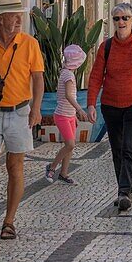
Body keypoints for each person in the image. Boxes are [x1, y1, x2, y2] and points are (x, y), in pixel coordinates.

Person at [0, 0, 45, 241]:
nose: (18, 20)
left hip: (19, 112)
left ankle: (9, 220)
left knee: (15, 167)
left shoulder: (30, 44)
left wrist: (36, 109)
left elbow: (38, 78)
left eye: (19, 15)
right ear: (0, 18)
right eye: (13, 15)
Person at [88, 3, 132, 211]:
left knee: (128, 145)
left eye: (125, 18)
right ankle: (124, 188)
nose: (121, 22)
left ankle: (124, 191)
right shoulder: (106, 47)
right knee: (116, 148)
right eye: (117, 19)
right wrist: (90, 104)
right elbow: (96, 75)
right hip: (110, 104)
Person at [46, 44, 87, 184]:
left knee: (71, 144)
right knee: (70, 144)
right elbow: (69, 96)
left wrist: (73, 114)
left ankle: (64, 173)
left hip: (69, 115)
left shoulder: (66, 72)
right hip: (62, 115)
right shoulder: (68, 75)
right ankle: (52, 167)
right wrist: (80, 110)